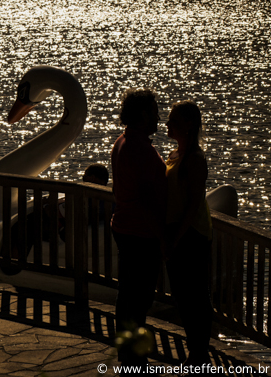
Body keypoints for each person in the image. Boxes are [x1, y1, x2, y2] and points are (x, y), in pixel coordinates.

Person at [110, 88, 166, 366]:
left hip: (125, 226)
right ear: (143, 115)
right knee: (139, 299)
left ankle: (127, 354)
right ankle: (134, 358)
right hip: (140, 232)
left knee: (127, 295)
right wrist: (163, 236)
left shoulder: (123, 141)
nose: (159, 118)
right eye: (154, 112)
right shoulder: (140, 149)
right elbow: (146, 199)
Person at [164, 100, 213, 366]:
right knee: (182, 294)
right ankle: (195, 349)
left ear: (188, 124)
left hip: (191, 233)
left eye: (173, 120)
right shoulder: (175, 154)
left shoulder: (194, 159)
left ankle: (199, 352)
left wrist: (176, 238)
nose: (167, 124)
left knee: (195, 295)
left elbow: (194, 205)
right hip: (176, 230)